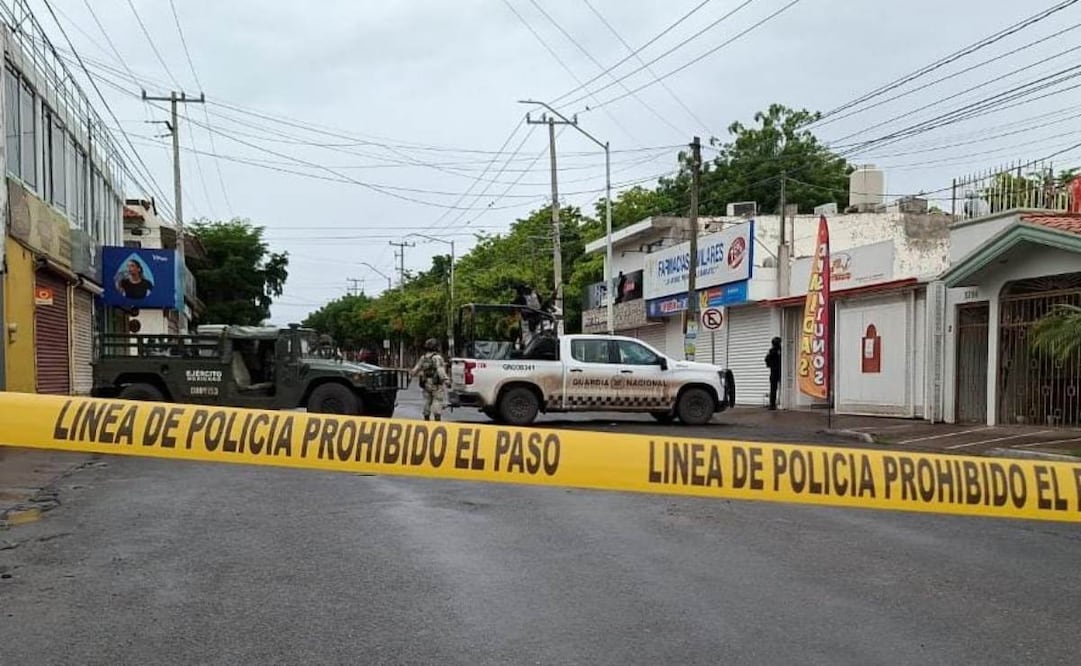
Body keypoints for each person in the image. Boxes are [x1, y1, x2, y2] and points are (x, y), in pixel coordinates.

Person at [411, 338, 449, 421]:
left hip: (425, 383)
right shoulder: (437, 358)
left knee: (427, 401)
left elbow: (415, 369)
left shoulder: (423, 358)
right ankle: (437, 419)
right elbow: (440, 370)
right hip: (436, 384)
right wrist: (446, 380)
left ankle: (426, 418)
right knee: (437, 400)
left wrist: (412, 375)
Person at [765, 336, 782, 410]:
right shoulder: (780, 350)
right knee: (775, 388)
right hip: (779, 371)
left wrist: (770, 365)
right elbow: (767, 359)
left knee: (773, 389)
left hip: (775, 371)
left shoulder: (772, 351)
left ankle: (773, 405)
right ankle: (774, 404)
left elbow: (766, 359)